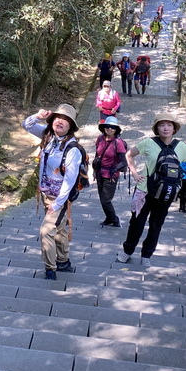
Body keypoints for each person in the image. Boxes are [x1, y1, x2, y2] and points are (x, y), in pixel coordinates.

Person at [117, 113, 186, 266]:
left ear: (174, 128)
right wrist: (135, 173)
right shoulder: (148, 143)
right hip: (145, 191)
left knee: (156, 225)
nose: (165, 128)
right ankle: (127, 251)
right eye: (162, 125)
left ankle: (147, 255)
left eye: (169, 125)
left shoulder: (181, 146)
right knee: (136, 224)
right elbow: (129, 154)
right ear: (157, 128)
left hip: (166, 193)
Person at [22, 104, 81, 280]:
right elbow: (27, 125)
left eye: (65, 119)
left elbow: (70, 181)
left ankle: (50, 268)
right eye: (57, 117)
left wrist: (57, 203)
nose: (60, 121)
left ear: (71, 126)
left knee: (46, 230)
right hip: (46, 193)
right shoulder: (48, 136)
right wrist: (38, 116)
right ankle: (63, 261)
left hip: (60, 198)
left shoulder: (73, 150)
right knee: (59, 228)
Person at [94, 117, 127, 228]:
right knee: (102, 198)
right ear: (103, 128)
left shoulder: (118, 142)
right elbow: (97, 155)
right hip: (100, 172)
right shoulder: (100, 138)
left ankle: (115, 219)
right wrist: (94, 170)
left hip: (111, 175)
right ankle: (109, 219)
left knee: (105, 200)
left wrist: (114, 170)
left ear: (116, 129)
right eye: (107, 126)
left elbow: (123, 161)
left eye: (113, 127)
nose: (109, 129)